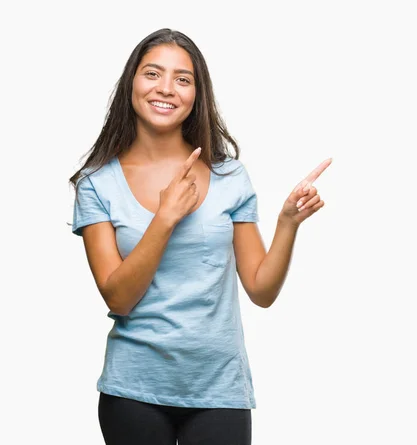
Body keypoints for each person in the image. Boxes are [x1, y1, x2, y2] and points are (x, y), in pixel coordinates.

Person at [69, 28, 331, 445]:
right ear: (131, 84)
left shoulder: (230, 176)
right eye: (153, 73)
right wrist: (165, 217)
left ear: (196, 94)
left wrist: (287, 223)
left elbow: (261, 290)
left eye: (183, 79)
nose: (166, 89)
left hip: (220, 389)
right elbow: (117, 297)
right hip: (133, 390)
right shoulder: (97, 184)